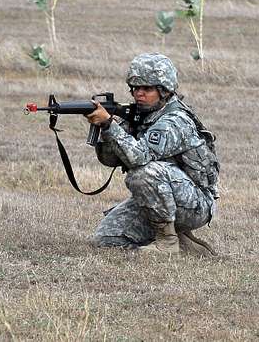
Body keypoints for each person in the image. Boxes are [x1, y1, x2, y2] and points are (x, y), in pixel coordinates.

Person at [85, 53, 219, 256]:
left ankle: (167, 243)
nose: (139, 94)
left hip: (195, 205)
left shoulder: (175, 120)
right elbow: (110, 159)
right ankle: (183, 243)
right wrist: (107, 130)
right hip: (161, 200)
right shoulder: (141, 115)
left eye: (147, 88)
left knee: (143, 172)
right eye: (135, 88)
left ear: (164, 90)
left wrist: (109, 124)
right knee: (106, 239)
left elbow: (138, 157)